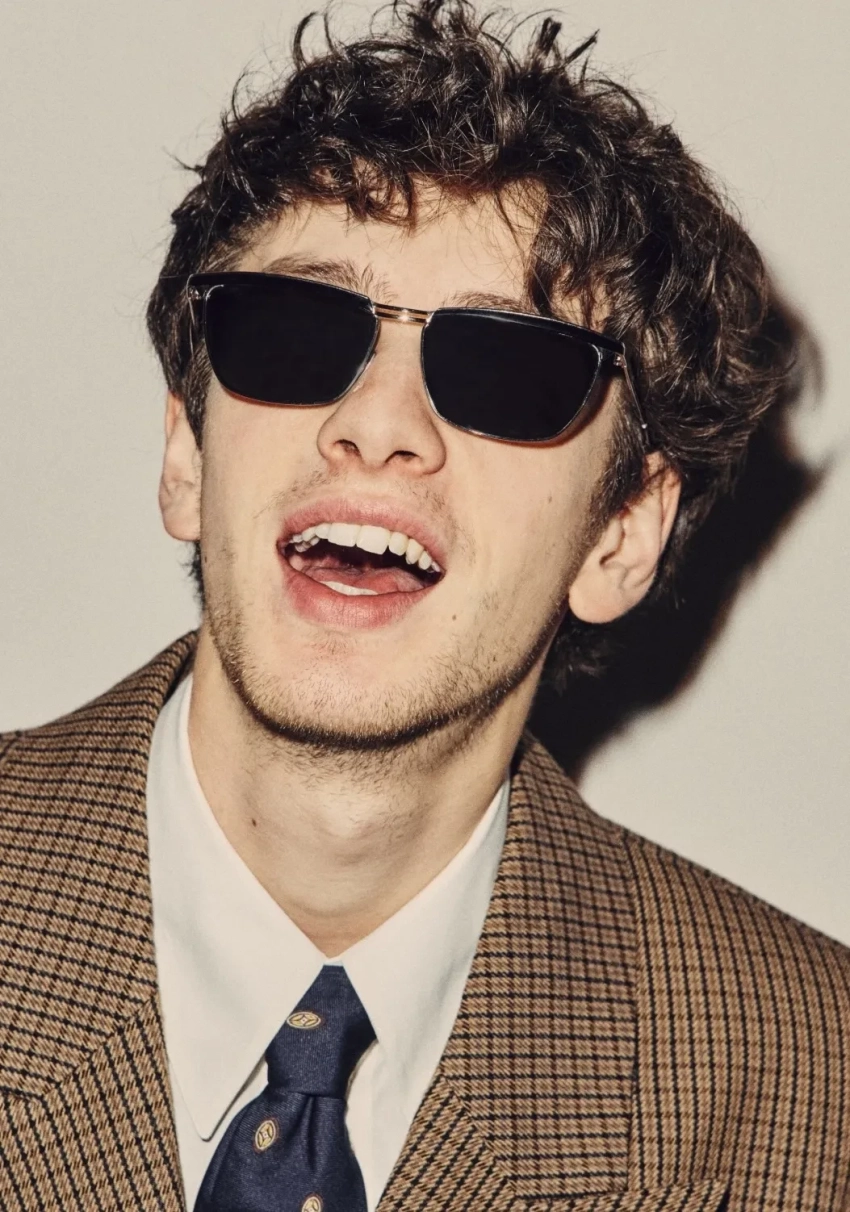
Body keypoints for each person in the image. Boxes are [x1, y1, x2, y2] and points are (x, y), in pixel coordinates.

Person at [0, 2, 847, 1209]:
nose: (379, 423)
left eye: (506, 368)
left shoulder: (812, 1090)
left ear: (620, 532)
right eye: (298, 331)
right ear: (187, 451)